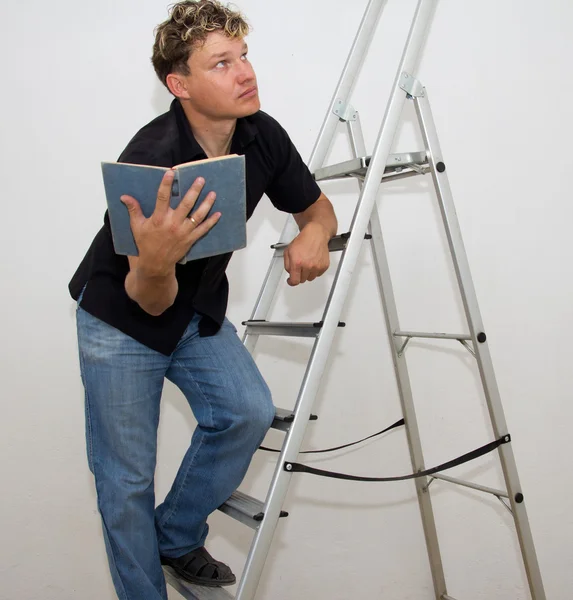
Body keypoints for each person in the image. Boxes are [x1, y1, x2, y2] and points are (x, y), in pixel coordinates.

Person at [68, 1, 337, 598]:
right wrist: (159, 260)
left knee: (246, 412)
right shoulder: (152, 156)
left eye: (244, 56)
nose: (245, 72)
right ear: (179, 84)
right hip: (121, 318)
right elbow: (148, 296)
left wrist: (315, 232)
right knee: (126, 482)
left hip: (193, 311)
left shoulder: (261, 134)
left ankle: (177, 533)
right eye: (222, 63)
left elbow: (315, 206)